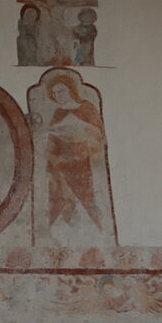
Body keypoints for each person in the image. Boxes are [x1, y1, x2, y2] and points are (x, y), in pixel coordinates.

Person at [44, 77, 106, 231]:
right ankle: (64, 224)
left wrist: (83, 129)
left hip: (82, 157)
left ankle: (95, 225)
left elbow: (99, 134)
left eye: (61, 90)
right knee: (61, 193)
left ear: (71, 89)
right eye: (54, 93)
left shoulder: (86, 108)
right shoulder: (58, 112)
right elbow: (52, 140)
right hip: (62, 159)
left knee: (86, 193)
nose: (58, 95)